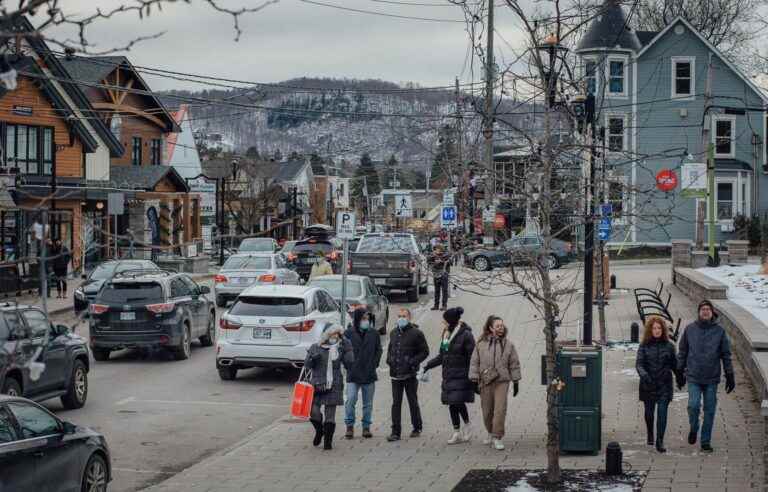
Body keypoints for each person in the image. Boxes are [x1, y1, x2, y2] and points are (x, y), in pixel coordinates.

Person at [677, 300, 735, 453]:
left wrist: (730, 374)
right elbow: (682, 352)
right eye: (702, 309)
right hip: (694, 376)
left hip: (711, 377)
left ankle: (705, 441)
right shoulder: (690, 329)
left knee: (709, 410)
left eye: (708, 309)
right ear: (698, 312)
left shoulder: (720, 331)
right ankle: (694, 427)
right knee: (693, 405)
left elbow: (726, 355)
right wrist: (679, 372)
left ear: (712, 313)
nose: (705, 311)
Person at [424, 307, 476, 444]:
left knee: (457, 401)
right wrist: (428, 365)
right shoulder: (446, 334)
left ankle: (467, 424)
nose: (443, 323)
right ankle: (456, 431)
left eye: (445, 320)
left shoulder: (466, 335)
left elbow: (473, 357)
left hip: (462, 374)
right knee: (451, 403)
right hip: (448, 375)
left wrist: (473, 375)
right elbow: (442, 355)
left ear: (451, 321)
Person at [469, 315, 521, 450]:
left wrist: (516, 381)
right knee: (487, 411)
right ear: (490, 328)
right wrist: (474, 380)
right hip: (485, 381)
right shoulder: (480, 344)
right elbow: (474, 362)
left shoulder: (508, 344)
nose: (501, 328)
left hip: (502, 381)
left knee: (500, 410)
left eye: (502, 325)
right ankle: (490, 432)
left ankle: (497, 437)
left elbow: (514, 364)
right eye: (497, 326)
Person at [304, 324, 354, 450]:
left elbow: (349, 363)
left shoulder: (341, 348)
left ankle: (328, 442)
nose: (335, 336)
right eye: (332, 333)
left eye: (337, 334)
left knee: (329, 415)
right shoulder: (315, 347)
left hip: (334, 384)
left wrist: (348, 347)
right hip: (316, 384)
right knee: (313, 412)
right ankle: (319, 431)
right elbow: (307, 365)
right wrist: (312, 359)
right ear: (326, 334)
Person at [636, 316, 681, 453]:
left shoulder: (669, 346)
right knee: (649, 414)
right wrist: (644, 376)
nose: (657, 330)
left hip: (664, 385)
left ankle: (659, 440)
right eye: (654, 328)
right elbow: (639, 364)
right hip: (648, 384)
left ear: (663, 330)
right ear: (650, 330)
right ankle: (650, 432)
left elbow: (675, 365)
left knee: (662, 414)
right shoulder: (644, 346)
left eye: (659, 328)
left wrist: (680, 377)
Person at [386, 308, 429, 442]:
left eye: (404, 316)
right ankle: (395, 431)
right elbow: (390, 349)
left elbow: (425, 351)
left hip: (410, 374)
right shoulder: (393, 333)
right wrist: (389, 361)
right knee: (396, 403)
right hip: (395, 374)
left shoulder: (417, 333)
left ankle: (417, 426)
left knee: (412, 401)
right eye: (399, 316)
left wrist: (412, 362)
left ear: (409, 318)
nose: (401, 318)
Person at [343, 308, 382, 439]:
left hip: (369, 373)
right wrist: (348, 365)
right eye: (363, 318)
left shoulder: (374, 333)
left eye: (368, 318)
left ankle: (366, 427)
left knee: (368, 403)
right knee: (351, 399)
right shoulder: (349, 333)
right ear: (357, 319)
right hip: (353, 374)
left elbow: (379, 350)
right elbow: (342, 349)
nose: (366, 321)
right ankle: (349, 426)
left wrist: (374, 364)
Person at [429, 244, 451, 311]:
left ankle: (444, 306)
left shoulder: (446, 255)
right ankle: (436, 306)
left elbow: (450, 262)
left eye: (438, 249)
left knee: (444, 290)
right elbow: (429, 260)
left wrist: (441, 261)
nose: (436, 250)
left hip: (444, 274)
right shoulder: (433, 255)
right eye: (435, 249)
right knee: (437, 290)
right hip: (436, 274)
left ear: (441, 249)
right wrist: (433, 256)